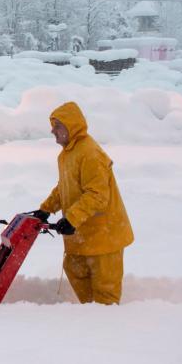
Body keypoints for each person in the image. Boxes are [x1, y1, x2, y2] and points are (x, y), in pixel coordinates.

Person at [29, 102, 134, 305]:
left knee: (105, 291)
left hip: (104, 235)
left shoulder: (90, 153)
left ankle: (108, 327)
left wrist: (71, 218)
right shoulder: (68, 154)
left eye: (57, 126)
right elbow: (65, 187)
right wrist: (45, 209)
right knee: (75, 270)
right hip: (81, 235)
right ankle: (89, 319)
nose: (52, 131)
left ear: (72, 126)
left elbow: (97, 195)